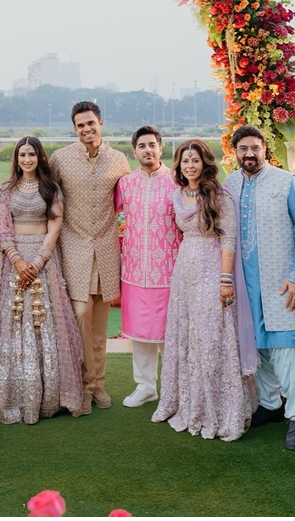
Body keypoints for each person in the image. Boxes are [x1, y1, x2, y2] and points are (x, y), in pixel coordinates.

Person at [0, 137, 85, 424]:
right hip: (13, 261)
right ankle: (12, 395)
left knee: (44, 319)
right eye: (22, 154)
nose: (27, 159)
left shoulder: (51, 189)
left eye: (32, 154)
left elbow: (55, 227)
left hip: (43, 259)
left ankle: (49, 395)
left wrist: (36, 262)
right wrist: (17, 260)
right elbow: (3, 229)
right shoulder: (7, 189)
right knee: (12, 319)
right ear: (17, 158)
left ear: (40, 157)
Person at [151, 139, 254, 441]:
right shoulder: (176, 194)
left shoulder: (220, 196)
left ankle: (220, 408)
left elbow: (229, 239)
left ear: (205, 163)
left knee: (211, 337)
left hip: (213, 269)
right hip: (185, 273)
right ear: (179, 165)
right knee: (188, 335)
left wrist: (225, 280)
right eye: (185, 161)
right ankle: (187, 402)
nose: (190, 165)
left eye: (195, 160)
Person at [224, 125, 295, 450]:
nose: (249, 153)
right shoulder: (229, 184)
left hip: (281, 281)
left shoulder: (286, 182)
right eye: (243, 148)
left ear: (265, 149)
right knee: (256, 345)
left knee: (288, 346)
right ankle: (270, 404)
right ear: (235, 151)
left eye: (255, 147)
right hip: (245, 283)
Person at [49, 101, 130, 413]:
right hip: (73, 247)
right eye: (80, 125)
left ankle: (98, 386)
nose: (86, 129)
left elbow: (130, 198)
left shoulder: (118, 160)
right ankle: (82, 386)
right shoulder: (60, 159)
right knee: (81, 314)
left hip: (106, 249)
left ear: (101, 123)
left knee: (100, 323)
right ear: (74, 128)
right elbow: (46, 197)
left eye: (90, 123)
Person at [115, 126, 180, 407]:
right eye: (142, 146)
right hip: (134, 270)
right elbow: (105, 215)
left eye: (152, 145)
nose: (147, 150)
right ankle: (145, 386)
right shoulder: (125, 184)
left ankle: (175, 388)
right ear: (134, 151)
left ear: (160, 148)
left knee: (169, 333)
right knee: (140, 333)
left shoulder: (177, 181)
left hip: (169, 271)